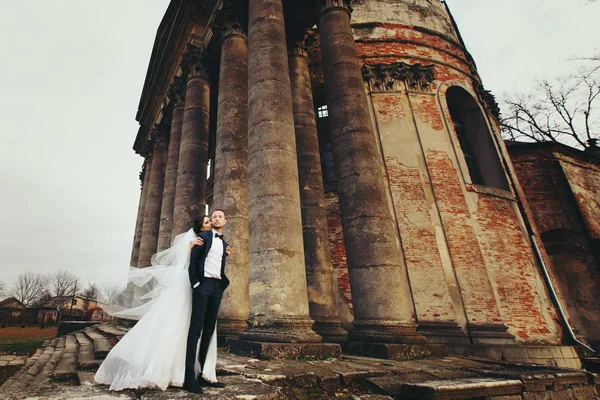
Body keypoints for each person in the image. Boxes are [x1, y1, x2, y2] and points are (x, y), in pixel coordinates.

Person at [94, 215, 224, 391]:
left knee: (192, 326)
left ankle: (196, 370)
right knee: (181, 325)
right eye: (208, 221)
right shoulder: (196, 240)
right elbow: (188, 262)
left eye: (212, 220)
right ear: (201, 228)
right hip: (190, 284)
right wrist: (191, 251)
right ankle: (175, 371)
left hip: (206, 286)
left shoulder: (214, 241)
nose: (211, 223)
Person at [183, 209, 230, 394]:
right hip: (203, 285)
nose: (216, 218)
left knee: (209, 330)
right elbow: (193, 262)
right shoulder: (202, 237)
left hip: (217, 287)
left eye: (220, 216)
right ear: (211, 221)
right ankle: (189, 378)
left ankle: (203, 374)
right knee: (195, 330)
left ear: (225, 221)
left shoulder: (225, 243)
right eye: (213, 217)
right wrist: (196, 284)